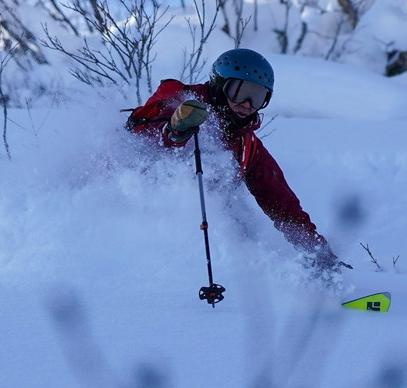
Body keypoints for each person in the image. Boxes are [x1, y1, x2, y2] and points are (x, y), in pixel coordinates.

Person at [124, 47, 345, 276]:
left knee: (242, 231)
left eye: (258, 97)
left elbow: (281, 203)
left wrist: (318, 252)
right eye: (240, 92)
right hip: (146, 224)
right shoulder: (185, 101)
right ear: (220, 86)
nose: (248, 104)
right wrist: (174, 132)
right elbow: (141, 131)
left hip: (210, 233)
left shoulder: (247, 146)